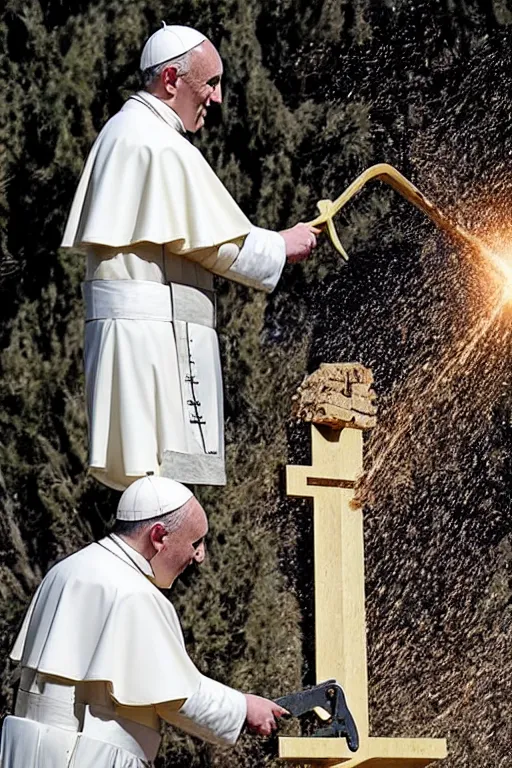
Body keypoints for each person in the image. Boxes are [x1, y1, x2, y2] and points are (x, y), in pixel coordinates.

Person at [61, 23, 319, 491]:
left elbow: (192, 233)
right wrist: (281, 245)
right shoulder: (156, 143)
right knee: (160, 489)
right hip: (155, 346)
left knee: (151, 486)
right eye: (210, 83)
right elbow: (213, 243)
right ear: (171, 81)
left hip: (142, 340)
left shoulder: (125, 132)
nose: (217, 98)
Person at [0, 475, 287, 767]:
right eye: (195, 542)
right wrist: (244, 708)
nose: (199, 555)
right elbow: (180, 697)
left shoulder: (65, 571)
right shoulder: (135, 593)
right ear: (159, 536)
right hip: (84, 757)